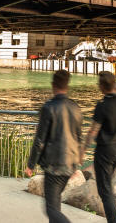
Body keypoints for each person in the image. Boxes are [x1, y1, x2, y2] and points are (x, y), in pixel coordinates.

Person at [26, 70, 83, 223]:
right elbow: (79, 138)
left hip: (54, 165)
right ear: (67, 85)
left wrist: (31, 164)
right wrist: (77, 161)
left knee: (50, 208)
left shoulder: (48, 107)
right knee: (55, 204)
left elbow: (40, 140)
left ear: (53, 85)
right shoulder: (75, 107)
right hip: (70, 163)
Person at [81, 71, 116, 223]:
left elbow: (93, 130)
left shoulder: (102, 106)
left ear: (101, 86)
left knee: (104, 191)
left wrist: (82, 151)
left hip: (104, 151)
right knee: (108, 188)